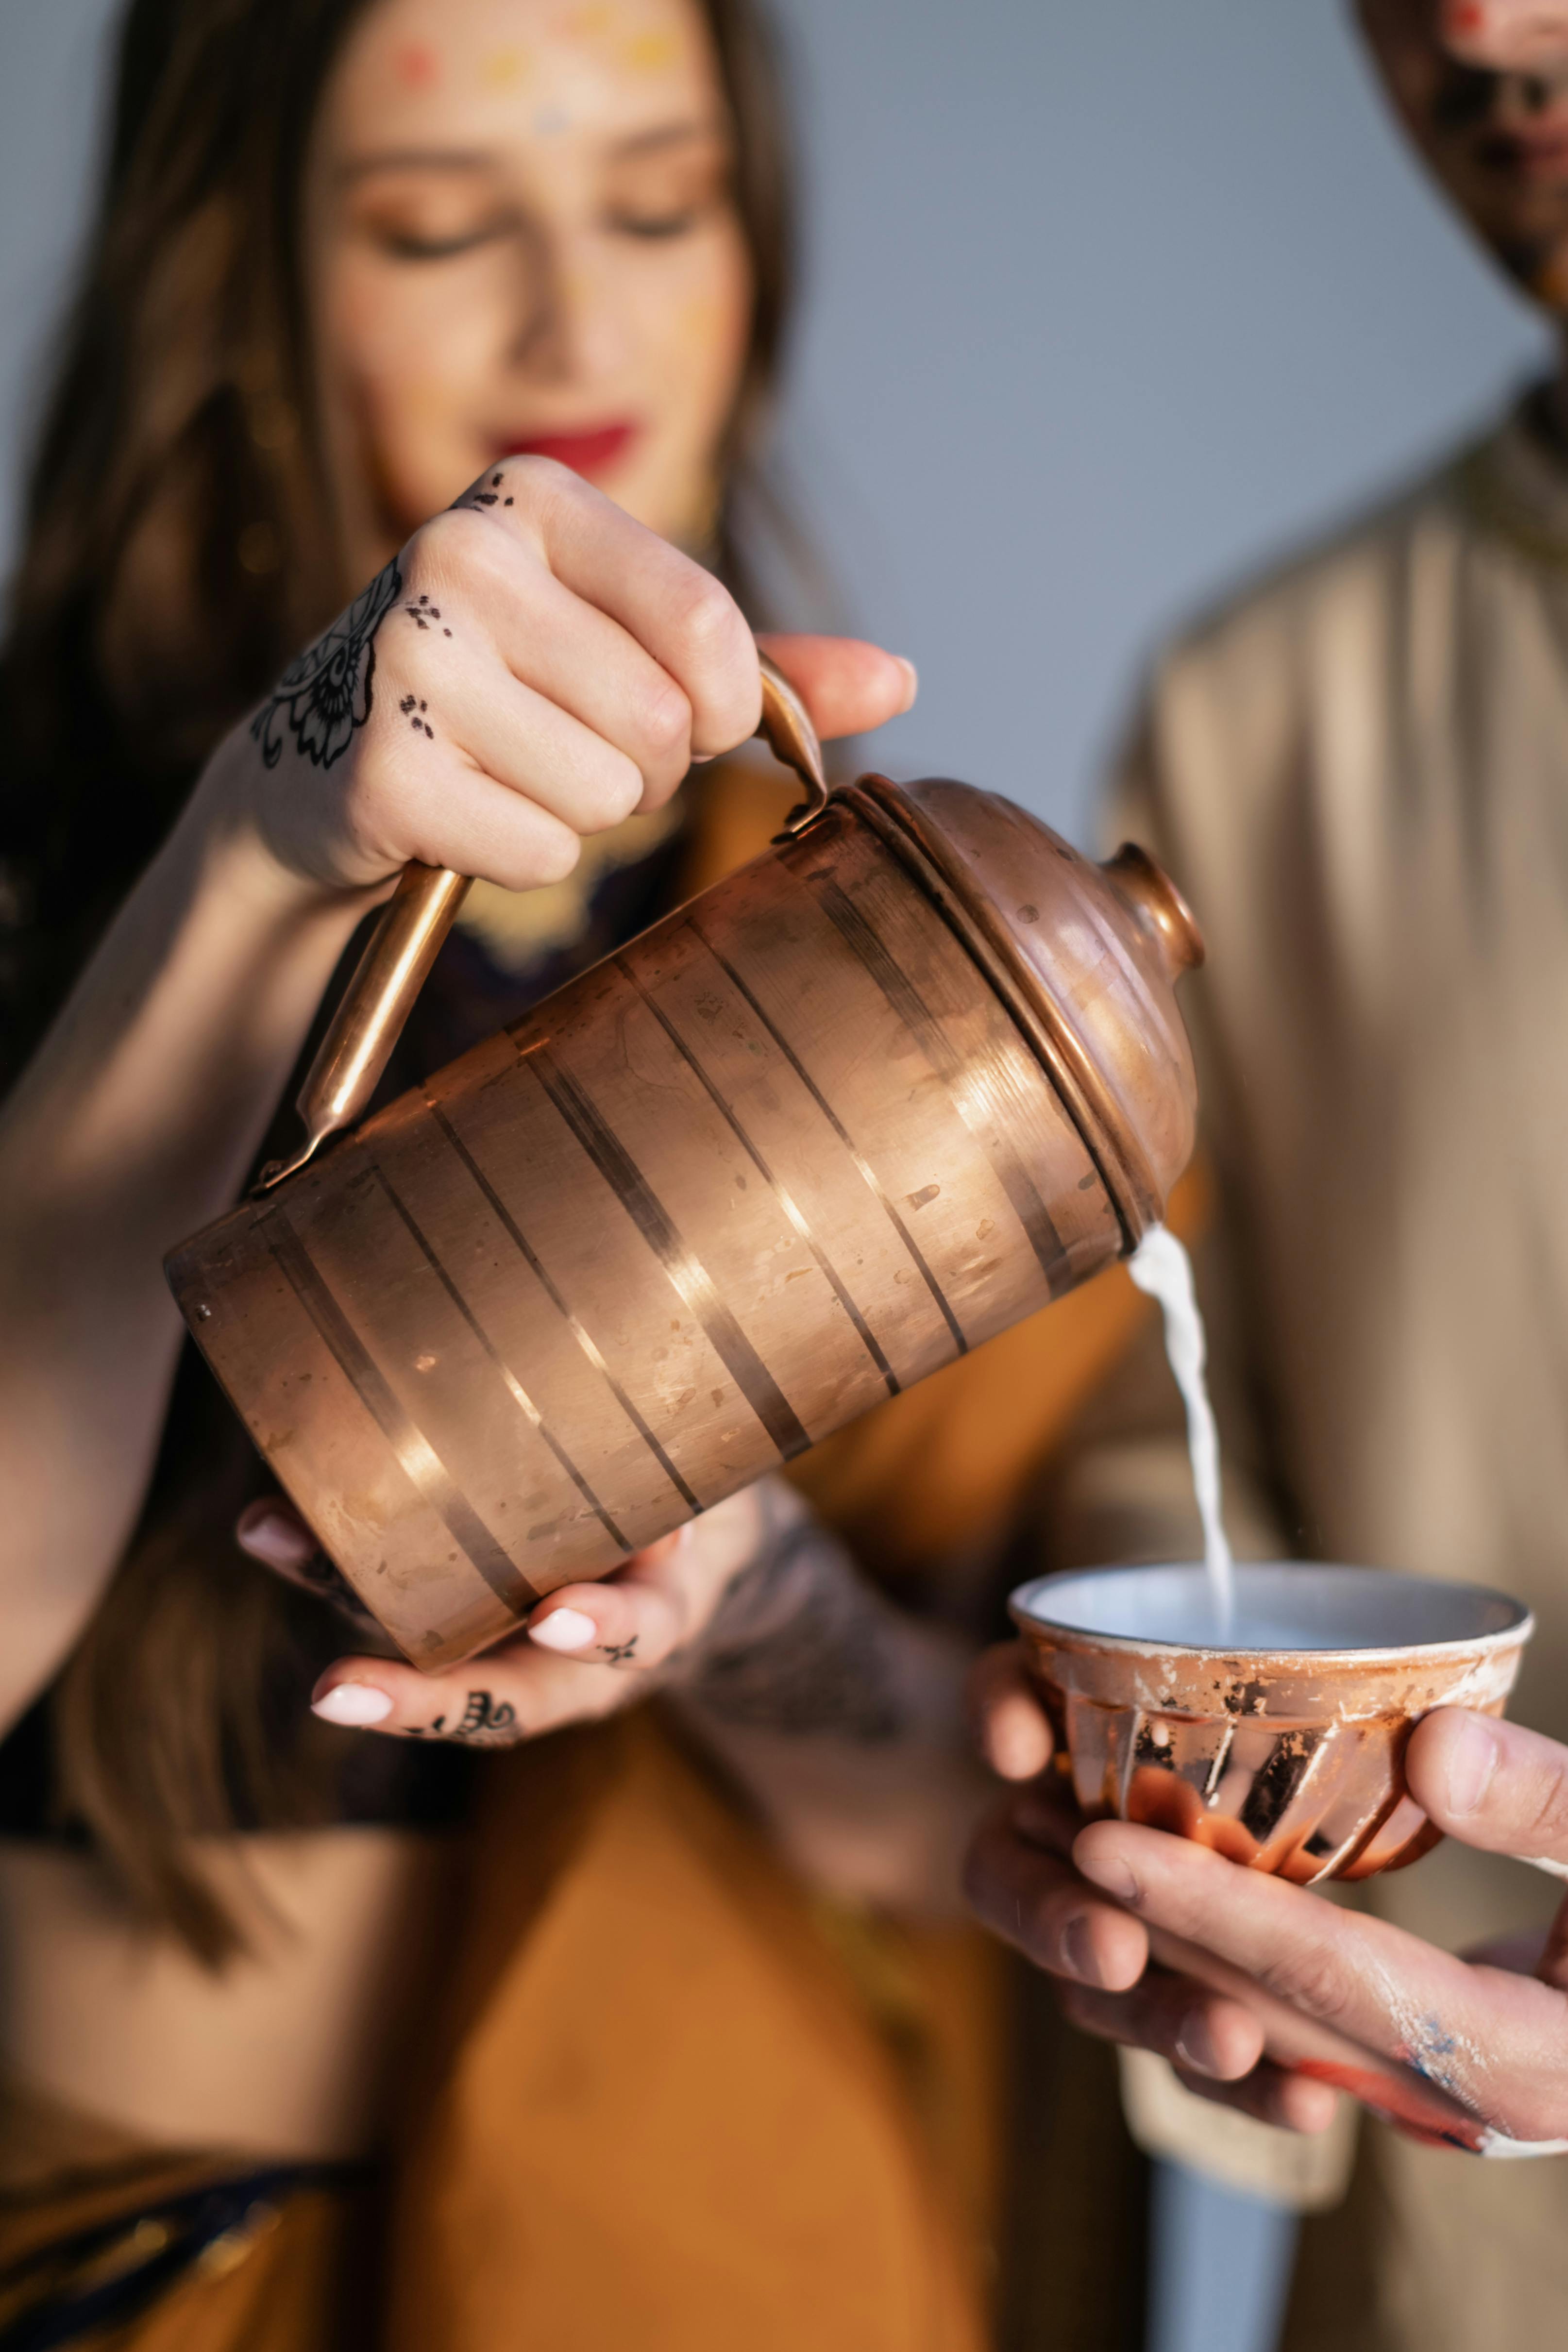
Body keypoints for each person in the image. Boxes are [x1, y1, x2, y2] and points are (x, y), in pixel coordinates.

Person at [0, 1, 1035, 2344]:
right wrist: (260, 852)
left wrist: (741, 1585)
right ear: (235, 257)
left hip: (663, 2258)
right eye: (440, 224)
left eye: (658, 206)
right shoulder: (53, 859)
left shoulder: (876, 952)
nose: (575, 321)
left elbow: (947, 1823)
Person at [966, 1, 1568, 2346]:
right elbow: (1170, 1382)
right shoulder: (1260, 715)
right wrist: (1165, 1764)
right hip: (1471, 2239)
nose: (1479, 24)